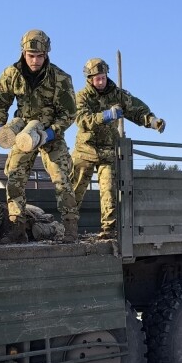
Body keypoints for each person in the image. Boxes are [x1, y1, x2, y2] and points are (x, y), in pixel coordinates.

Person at [0, 29, 78, 243]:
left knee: (61, 178)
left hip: (50, 132)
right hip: (22, 132)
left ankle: (70, 228)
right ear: (23, 52)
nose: (35, 61)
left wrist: (50, 133)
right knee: (15, 176)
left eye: (40, 56)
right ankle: (17, 227)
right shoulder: (11, 74)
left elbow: (69, 113)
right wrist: (2, 127)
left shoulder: (60, 78)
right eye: (31, 56)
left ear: (46, 54)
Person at [71, 58, 166, 239]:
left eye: (103, 77)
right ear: (90, 79)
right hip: (85, 150)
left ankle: (109, 231)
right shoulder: (82, 97)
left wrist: (152, 121)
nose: (101, 81)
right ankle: (69, 230)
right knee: (74, 192)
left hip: (108, 151)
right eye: (97, 78)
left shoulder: (118, 95)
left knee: (109, 192)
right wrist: (105, 115)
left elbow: (136, 109)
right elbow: (81, 120)